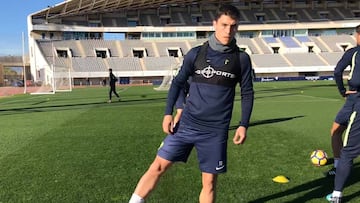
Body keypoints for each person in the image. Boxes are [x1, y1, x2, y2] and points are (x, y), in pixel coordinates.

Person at [128, 4, 254, 203]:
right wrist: (168, 113)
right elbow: (178, 83)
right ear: (215, 24)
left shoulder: (242, 59)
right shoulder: (196, 54)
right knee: (157, 167)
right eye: (224, 25)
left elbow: (247, 93)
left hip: (215, 131)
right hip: (187, 124)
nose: (228, 30)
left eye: (233, 26)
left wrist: (243, 124)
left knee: (209, 182)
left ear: (237, 27)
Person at [325, 24, 360, 177]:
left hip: (354, 97)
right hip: (353, 98)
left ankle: (339, 166)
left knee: (336, 131)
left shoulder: (353, 52)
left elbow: (338, 71)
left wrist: (342, 91)